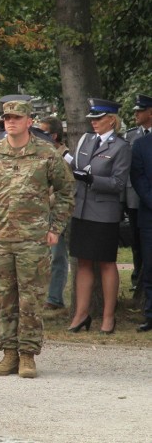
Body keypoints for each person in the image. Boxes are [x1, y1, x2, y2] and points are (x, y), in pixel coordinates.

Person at [0, 101, 74, 378]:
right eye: (7, 117)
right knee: (5, 298)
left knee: (31, 298)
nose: (11, 121)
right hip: (0, 238)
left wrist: (56, 227)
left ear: (29, 120)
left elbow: (66, 191)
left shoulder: (46, 154)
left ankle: (27, 355)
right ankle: (8, 353)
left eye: (17, 117)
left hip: (33, 239)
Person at [67, 99, 131, 335]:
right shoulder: (87, 140)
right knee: (83, 262)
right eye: (92, 119)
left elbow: (118, 183)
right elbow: (77, 166)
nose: (93, 123)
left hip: (104, 212)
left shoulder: (120, 146)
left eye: (98, 118)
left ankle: (108, 316)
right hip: (82, 209)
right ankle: (81, 314)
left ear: (111, 120)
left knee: (106, 263)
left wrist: (91, 179)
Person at [37, 117, 72, 310]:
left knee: (57, 255)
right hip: (41, 212)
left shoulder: (65, 157)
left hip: (55, 211)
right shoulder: (43, 154)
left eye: (43, 132)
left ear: (54, 135)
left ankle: (55, 297)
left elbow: (64, 189)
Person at [124, 95, 152, 290]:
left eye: (140, 111)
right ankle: (137, 279)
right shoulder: (131, 135)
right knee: (136, 241)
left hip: (146, 196)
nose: (136, 114)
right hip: (135, 197)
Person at [130, 117, 152, 332]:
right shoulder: (141, 144)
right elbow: (138, 178)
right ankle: (151, 315)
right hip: (150, 215)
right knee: (150, 268)